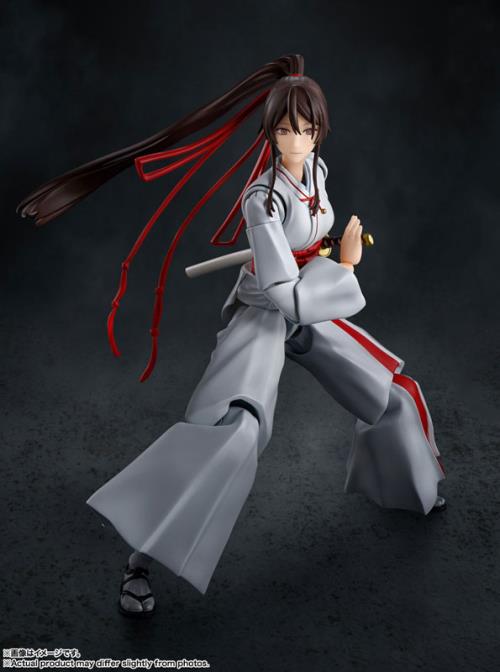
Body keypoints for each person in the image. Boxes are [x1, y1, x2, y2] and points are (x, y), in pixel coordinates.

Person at [17, 55, 445, 618]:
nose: (297, 140)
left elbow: (306, 252)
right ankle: (140, 561)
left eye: (307, 129)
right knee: (236, 433)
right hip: (268, 311)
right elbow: (285, 294)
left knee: (386, 389)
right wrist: (345, 264)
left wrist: (321, 251)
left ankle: (412, 488)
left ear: (320, 130)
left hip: (311, 302)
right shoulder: (261, 200)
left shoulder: (316, 171)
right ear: (270, 134)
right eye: (286, 130)